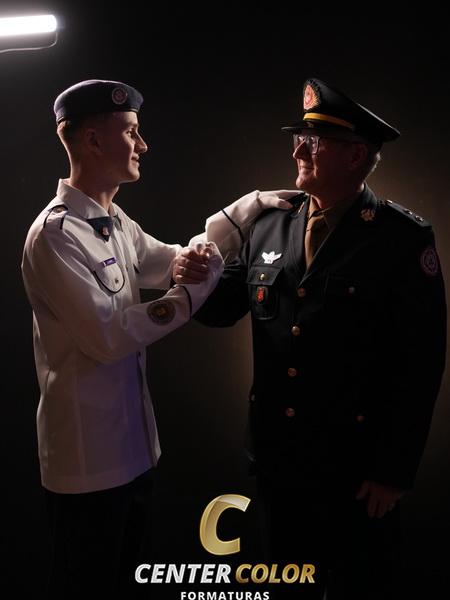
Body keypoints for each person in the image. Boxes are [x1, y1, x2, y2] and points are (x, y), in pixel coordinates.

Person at [21, 78, 297, 596]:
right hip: (87, 466)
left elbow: (173, 259)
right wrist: (191, 294)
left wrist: (244, 211)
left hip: (134, 453)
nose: (142, 145)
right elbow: (108, 338)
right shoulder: (55, 236)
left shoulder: (112, 221)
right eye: (131, 131)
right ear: (92, 140)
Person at [179, 78, 447, 599]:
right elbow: (220, 308)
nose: (297, 150)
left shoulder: (400, 238)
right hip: (280, 461)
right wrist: (190, 275)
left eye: (313, 141)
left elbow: (421, 361)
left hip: (357, 469)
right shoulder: (268, 225)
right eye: (298, 138)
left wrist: (393, 471)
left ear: (355, 155)